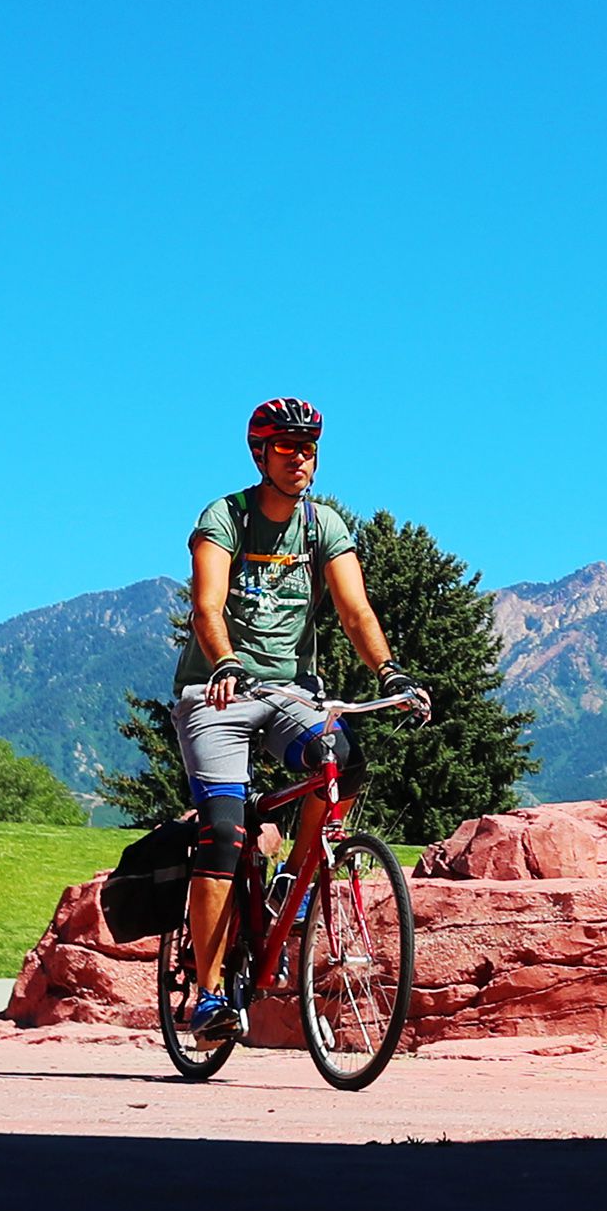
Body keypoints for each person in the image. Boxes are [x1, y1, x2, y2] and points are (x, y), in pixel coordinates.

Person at [170, 396, 426, 1039]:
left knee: (345, 760)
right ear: (260, 453)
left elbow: (355, 610)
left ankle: (296, 883)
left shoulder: (324, 525)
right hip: (217, 690)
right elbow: (207, 607)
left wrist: (388, 672)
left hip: (290, 693)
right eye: (287, 448)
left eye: (310, 447)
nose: (301, 459)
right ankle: (205, 997)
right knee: (224, 834)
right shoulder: (224, 516)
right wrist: (225, 661)